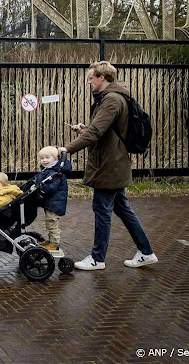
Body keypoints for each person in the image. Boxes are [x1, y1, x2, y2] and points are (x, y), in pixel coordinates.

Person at [59, 61, 158, 271]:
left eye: (91, 78)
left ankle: (97, 258)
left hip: (109, 164)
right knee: (122, 209)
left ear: (102, 78)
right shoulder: (113, 97)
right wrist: (85, 129)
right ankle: (146, 252)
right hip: (114, 161)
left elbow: (97, 133)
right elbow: (101, 130)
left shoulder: (112, 100)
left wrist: (67, 149)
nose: (89, 82)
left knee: (102, 210)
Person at [34, 146, 71, 258]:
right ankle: (50, 241)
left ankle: (54, 244)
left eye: (47, 158)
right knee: (49, 223)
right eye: (42, 158)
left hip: (55, 204)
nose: (44, 160)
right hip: (51, 203)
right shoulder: (49, 170)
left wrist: (41, 189)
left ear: (55, 159)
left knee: (52, 224)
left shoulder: (56, 173)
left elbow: (51, 188)